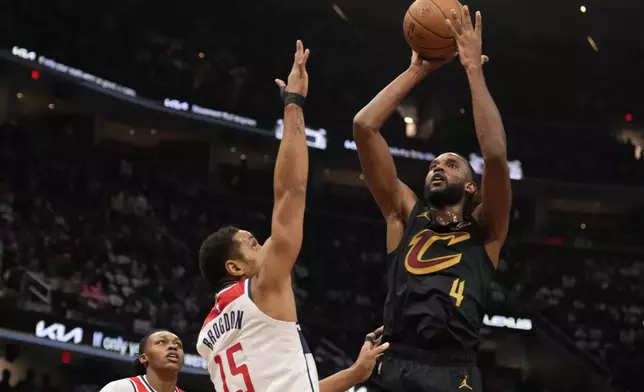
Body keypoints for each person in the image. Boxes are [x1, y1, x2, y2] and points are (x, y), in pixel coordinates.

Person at [197, 40, 389, 392]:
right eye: (253, 244)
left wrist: (354, 374)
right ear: (235, 268)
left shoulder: (207, 337)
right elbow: (290, 192)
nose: (265, 244)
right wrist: (294, 105)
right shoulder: (264, 285)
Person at [353, 6, 511, 392]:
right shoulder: (404, 214)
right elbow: (364, 126)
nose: (438, 168)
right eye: (434, 165)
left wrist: (473, 69)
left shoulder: (486, 229)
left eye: (452, 165)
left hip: (453, 373)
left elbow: (493, 155)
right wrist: (417, 70)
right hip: (393, 365)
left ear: (472, 187)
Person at [99, 330, 185, 392]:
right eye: (162, 342)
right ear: (143, 358)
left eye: (178, 344)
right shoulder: (120, 389)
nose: (173, 347)